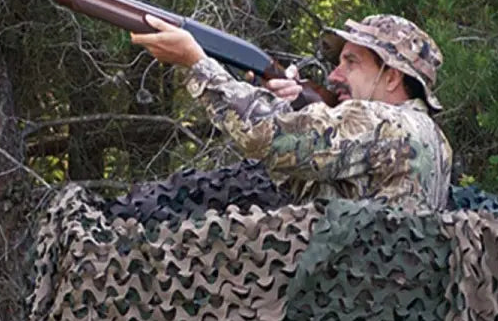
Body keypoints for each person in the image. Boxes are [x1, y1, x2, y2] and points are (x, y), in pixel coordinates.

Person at [130, 12, 453, 212]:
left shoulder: (387, 124)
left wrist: (196, 63)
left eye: (351, 62)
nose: (334, 75)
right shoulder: (427, 133)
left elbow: (264, 135)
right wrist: (296, 107)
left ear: (393, 76)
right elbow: (318, 184)